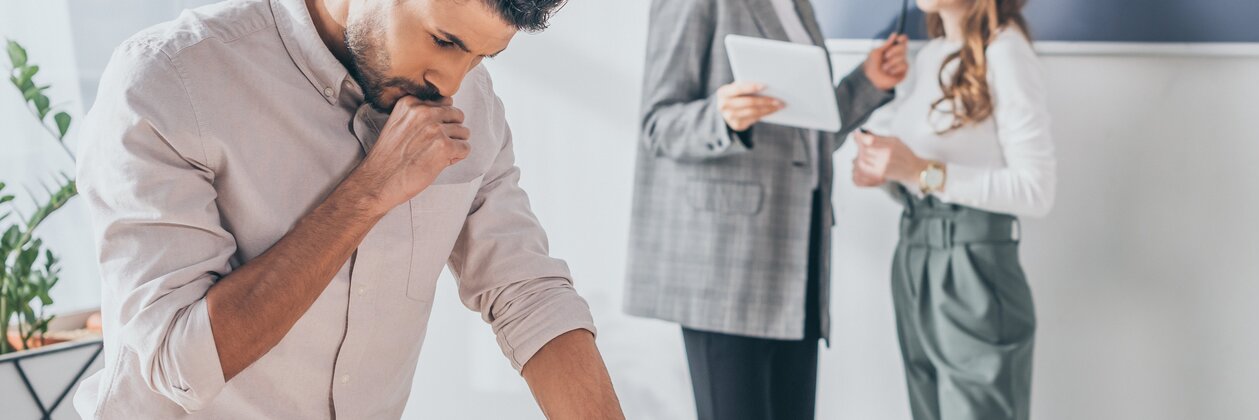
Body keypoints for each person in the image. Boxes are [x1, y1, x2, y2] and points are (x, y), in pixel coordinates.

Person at [71, 0, 623, 418]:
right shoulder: (170, 81)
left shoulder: (471, 101)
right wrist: (370, 190)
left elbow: (526, 293)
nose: (451, 82)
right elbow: (177, 364)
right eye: (443, 40)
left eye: (482, 56)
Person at [624, 0, 907, 419]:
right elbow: (657, 125)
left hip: (799, 261)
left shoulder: (797, 6)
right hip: (726, 271)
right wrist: (722, 116)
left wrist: (867, 81)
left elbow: (809, 133)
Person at [851, 0, 1052, 418]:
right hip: (913, 258)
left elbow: (1036, 190)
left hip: (974, 267)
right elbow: (922, 179)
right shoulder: (929, 57)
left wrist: (924, 172)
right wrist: (888, 174)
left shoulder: (1006, 52)